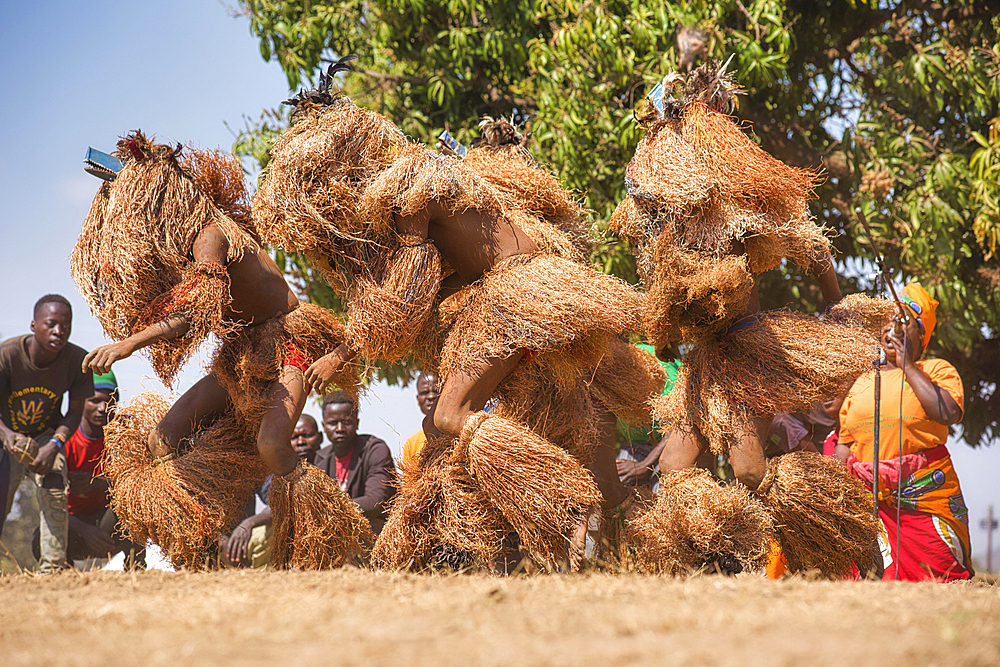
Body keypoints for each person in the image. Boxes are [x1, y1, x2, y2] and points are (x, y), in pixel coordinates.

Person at [254, 61, 664, 569]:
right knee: (538, 436)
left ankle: (560, 498)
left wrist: (343, 351)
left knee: (448, 417)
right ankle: (649, 539)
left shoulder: (408, 191)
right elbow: (441, 284)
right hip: (548, 291)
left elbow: (403, 299)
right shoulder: (435, 176)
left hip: (516, 297)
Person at [610, 59, 888, 576]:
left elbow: (809, 242)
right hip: (707, 361)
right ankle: (718, 559)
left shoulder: (735, 209)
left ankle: (842, 528)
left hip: (745, 351)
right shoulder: (668, 230)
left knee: (751, 471)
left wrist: (837, 306)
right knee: (674, 467)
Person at [72, 132, 368, 569]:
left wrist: (130, 344)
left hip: (289, 342)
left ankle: (325, 542)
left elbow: (196, 312)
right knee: (162, 439)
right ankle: (205, 549)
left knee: (271, 444)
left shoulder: (210, 236)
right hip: (243, 354)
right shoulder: (186, 247)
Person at [836, 283, 972, 581]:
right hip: (867, 503)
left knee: (939, 576)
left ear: (921, 334)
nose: (892, 329)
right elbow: (844, 447)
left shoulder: (936, 370)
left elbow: (948, 412)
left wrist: (908, 366)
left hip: (923, 498)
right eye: (887, 321)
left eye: (902, 322)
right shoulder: (861, 382)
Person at [0, 294, 94, 572]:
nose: (59, 331)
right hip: (6, 434)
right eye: (51, 324)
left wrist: (53, 446)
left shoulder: (77, 360)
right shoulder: (7, 356)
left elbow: (75, 412)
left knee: (54, 491)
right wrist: (6, 435)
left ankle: (52, 567)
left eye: (66, 325)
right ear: (33, 325)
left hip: (45, 437)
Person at [34, 370, 144, 568]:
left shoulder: (125, 433)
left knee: (136, 504)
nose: (103, 408)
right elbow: (47, 499)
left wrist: (98, 484)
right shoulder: (62, 437)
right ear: (80, 402)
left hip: (110, 526)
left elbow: (138, 486)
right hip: (74, 528)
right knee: (38, 539)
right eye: (94, 401)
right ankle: (62, 574)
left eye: (110, 401)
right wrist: (85, 530)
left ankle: (136, 568)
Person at [220, 414, 324, 567]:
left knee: (271, 530)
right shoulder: (200, 469)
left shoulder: (325, 463)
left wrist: (249, 523)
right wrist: (223, 542)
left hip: (248, 539)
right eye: (294, 438)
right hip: (219, 544)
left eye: (306, 436)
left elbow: (279, 503)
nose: (301, 442)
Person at [314, 392, 397, 536]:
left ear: (356, 423)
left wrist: (328, 508)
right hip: (335, 531)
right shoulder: (321, 459)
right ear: (324, 426)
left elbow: (374, 501)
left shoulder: (375, 449)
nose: (339, 428)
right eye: (333, 423)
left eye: (346, 422)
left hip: (379, 532)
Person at [401, 372, 440, 468]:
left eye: (436, 391)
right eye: (424, 392)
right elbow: (409, 482)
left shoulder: (457, 435)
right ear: (418, 399)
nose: (431, 397)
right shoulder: (411, 444)